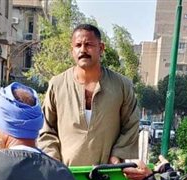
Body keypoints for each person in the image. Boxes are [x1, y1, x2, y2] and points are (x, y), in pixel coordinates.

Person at [38, 23, 139, 166]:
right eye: (78, 45)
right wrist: (53, 158)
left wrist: (117, 155)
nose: (83, 50)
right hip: (65, 177)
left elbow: (131, 124)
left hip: (106, 176)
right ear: (72, 50)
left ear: (101, 48)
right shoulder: (57, 84)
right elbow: (46, 128)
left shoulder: (121, 86)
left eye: (89, 45)